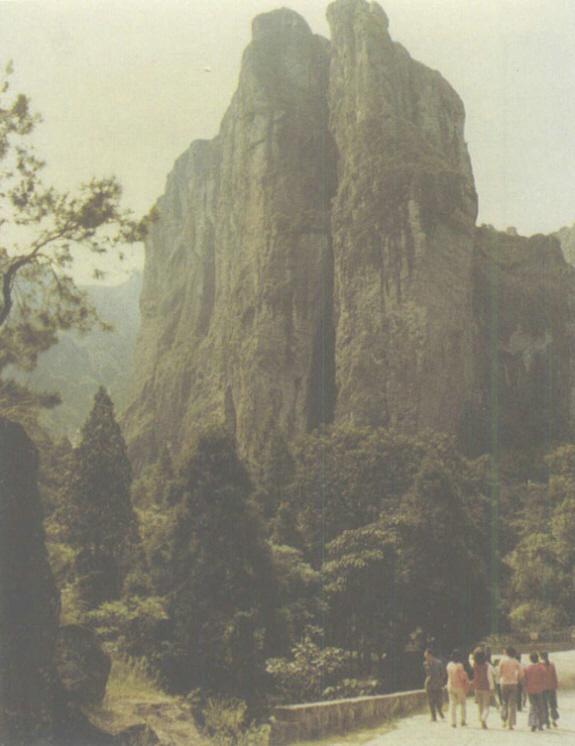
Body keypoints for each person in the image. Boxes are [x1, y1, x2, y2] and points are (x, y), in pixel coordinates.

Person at [498, 646, 523, 730]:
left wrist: (501, 678)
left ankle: (504, 720)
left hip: (504, 683)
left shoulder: (502, 661)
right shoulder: (516, 662)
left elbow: (499, 672)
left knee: (504, 702)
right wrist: (518, 679)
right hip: (513, 683)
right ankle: (510, 723)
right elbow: (521, 673)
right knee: (512, 704)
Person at [471, 649, 495, 729]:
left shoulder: (474, 664)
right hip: (486, 687)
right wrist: (492, 687)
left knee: (480, 706)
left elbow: (469, 658)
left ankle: (482, 722)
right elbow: (491, 676)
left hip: (477, 687)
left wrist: (473, 654)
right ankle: (483, 718)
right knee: (486, 706)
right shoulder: (487, 665)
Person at [523, 652, 546, 732]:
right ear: (537, 658)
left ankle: (533, 723)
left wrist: (525, 688)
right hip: (540, 689)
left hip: (530, 689)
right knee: (540, 706)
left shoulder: (527, 668)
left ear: (530, 659)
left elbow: (524, 679)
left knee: (533, 706)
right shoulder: (541, 667)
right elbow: (544, 678)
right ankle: (540, 724)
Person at [447, 649, 469, 728]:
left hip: (451, 686)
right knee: (463, 704)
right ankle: (463, 721)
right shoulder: (460, 665)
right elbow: (462, 677)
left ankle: (453, 722)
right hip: (460, 687)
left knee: (452, 704)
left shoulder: (449, 665)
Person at [423, 649, 446, 722]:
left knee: (439, 701)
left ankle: (440, 711)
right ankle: (433, 717)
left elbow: (443, 673)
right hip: (430, 685)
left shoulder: (439, 663)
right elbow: (427, 674)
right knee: (431, 701)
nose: (425, 657)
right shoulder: (425, 664)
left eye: (426, 656)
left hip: (438, 684)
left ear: (430, 655)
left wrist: (441, 682)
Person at [540, 651, 559, 727]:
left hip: (543, 688)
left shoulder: (540, 666)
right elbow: (554, 676)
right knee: (553, 705)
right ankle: (554, 720)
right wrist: (555, 685)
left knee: (545, 705)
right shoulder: (551, 665)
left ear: (541, 657)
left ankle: (547, 721)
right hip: (551, 687)